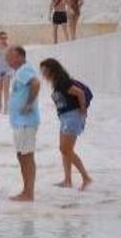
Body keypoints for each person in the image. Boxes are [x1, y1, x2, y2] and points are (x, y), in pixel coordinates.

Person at [40, 58, 93, 190]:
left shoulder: (64, 83)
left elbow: (80, 93)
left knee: (66, 149)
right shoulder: (57, 83)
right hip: (65, 118)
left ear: (52, 70)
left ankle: (86, 177)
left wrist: (83, 110)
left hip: (72, 117)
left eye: (45, 70)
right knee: (64, 150)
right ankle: (67, 180)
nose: (43, 73)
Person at [7, 46, 41, 202]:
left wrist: (29, 104)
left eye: (11, 57)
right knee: (22, 156)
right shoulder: (20, 71)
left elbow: (36, 84)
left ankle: (29, 193)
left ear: (20, 57)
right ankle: (26, 191)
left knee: (26, 156)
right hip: (20, 122)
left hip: (26, 122)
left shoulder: (24, 69)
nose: (8, 60)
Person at [0, 31, 12, 114]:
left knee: (6, 90)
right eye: (2, 38)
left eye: (5, 38)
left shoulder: (9, 48)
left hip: (7, 70)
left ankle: (6, 107)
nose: (4, 40)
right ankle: (0, 106)